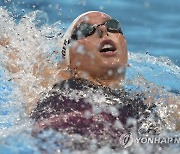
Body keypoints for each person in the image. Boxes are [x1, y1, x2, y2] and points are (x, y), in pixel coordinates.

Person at [30, 11, 162, 150]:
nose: (103, 30)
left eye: (113, 25)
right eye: (85, 30)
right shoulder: (54, 84)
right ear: (70, 61)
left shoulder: (145, 104)